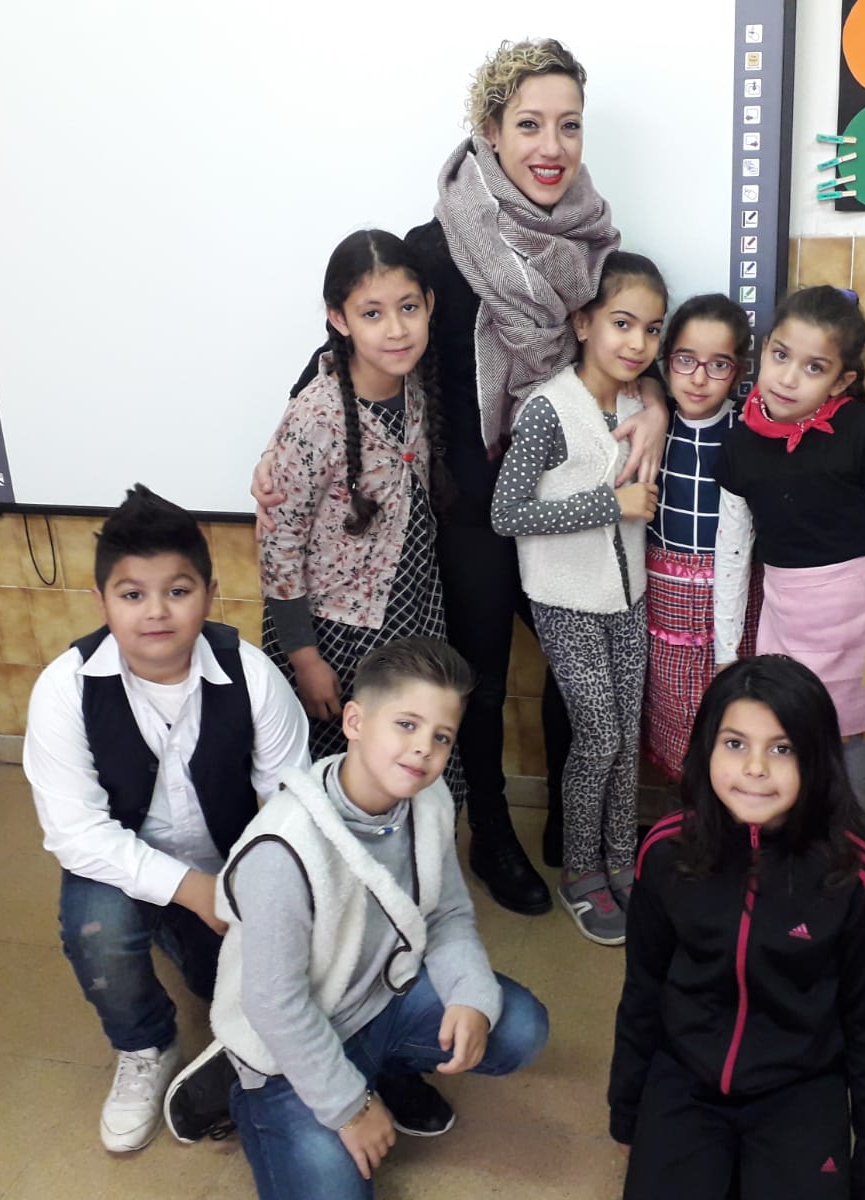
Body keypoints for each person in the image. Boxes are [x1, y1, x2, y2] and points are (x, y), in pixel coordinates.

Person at [256, 39, 671, 916]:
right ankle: (495, 834)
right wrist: (288, 424)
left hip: (568, 502)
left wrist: (660, 404)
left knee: (574, 670)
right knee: (477, 678)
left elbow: (627, 337)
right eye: (529, 125)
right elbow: (356, 347)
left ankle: (573, 824)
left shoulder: (592, 247)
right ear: (490, 129)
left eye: (568, 125)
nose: (551, 146)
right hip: (473, 513)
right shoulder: (440, 248)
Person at [175, 638, 549, 1199]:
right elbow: (274, 1002)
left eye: (441, 736)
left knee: (517, 1026)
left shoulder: (429, 800)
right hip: (288, 1041)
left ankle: (383, 1067)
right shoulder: (283, 849)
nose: (423, 748)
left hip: (381, 999)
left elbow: (447, 913)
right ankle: (240, 1085)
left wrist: (470, 995)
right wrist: (350, 1107)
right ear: (354, 721)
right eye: (406, 724)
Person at [22, 484, 310, 1152]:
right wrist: (188, 889)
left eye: (178, 592)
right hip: (120, 870)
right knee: (97, 929)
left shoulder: (253, 674)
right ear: (101, 602)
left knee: (232, 985)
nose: (156, 612)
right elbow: (75, 833)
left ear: (209, 594)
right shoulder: (64, 688)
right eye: (132, 595)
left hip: (227, 870)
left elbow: (293, 806)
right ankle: (145, 1045)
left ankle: (182, 940)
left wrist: (248, 892)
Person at [609, 655, 865, 1200]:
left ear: (817, 759)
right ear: (707, 747)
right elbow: (642, 990)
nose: (755, 769)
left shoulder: (852, 873)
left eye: (782, 749)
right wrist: (627, 1114)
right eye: (735, 743)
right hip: (685, 1077)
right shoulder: (665, 851)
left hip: (800, 1088)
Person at [491, 251, 666, 945]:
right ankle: (581, 871)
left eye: (652, 329)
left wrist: (655, 401)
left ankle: (622, 861)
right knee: (596, 737)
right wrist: (609, 504)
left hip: (630, 598)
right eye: (622, 323)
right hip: (566, 603)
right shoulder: (548, 409)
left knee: (626, 736)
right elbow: (506, 512)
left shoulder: (639, 405)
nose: (638, 342)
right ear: (584, 323)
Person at [713, 286, 865, 860]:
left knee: (860, 788)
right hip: (786, 628)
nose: (788, 378)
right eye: (780, 355)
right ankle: (791, 890)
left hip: (862, 633)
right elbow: (732, 554)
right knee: (786, 775)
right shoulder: (738, 445)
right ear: (763, 349)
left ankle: (862, 894)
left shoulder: (864, 432)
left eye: (813, 367)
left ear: (841, 382)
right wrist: (726, 653)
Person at [257, 229, 459, 791]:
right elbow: (279, 545)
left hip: (412, 614)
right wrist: (304, 658)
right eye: (372, 313)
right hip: (333, 636)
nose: (396, 329)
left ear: (429, 305)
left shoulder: (419, 386)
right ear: (339, 319)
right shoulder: (316, 415)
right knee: (343, 776)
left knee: (413, 768)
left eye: (408, 308)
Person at [642, 293, 761, 779]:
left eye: (718, 365)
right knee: (678, 729)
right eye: (685, 360)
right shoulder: (650, 423)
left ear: (738, 371)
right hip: (663, 604)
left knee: (732, 716)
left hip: (732, 606)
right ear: (666, 360)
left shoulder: (749, 431)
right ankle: (691, 812)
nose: (698, 378)